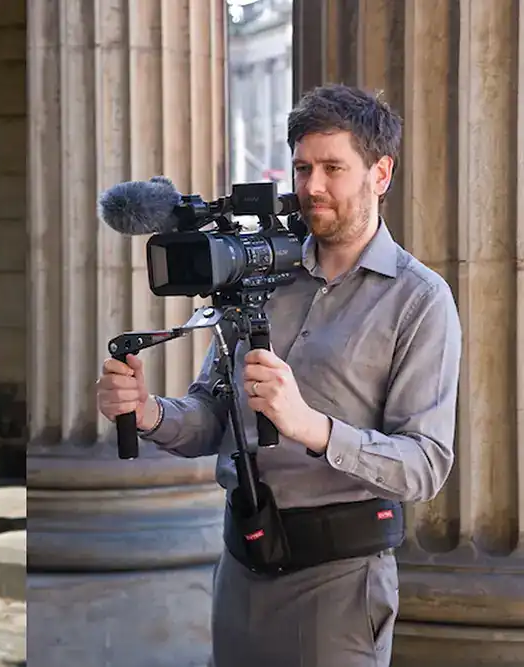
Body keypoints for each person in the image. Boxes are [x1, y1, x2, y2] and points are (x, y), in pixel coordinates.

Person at [96, 83, 462, 667]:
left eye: (333, 168)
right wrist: (149, 412)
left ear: (381, 173)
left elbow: (424, 466)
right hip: (242, 563)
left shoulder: (420, 300)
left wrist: (312, 426)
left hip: (339, 584)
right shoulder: (259, 277)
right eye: (303, 167)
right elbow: (213, 416)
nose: (313, 186)